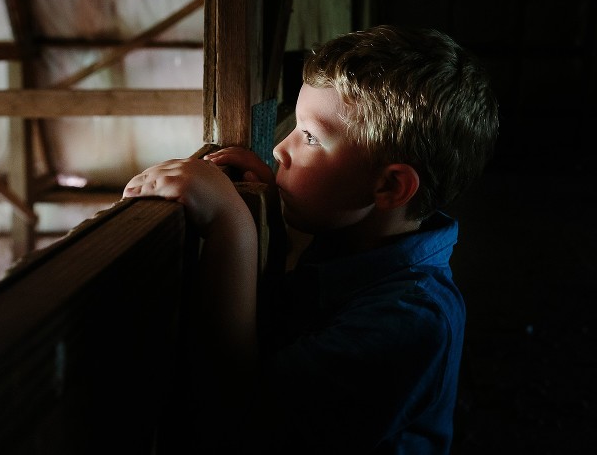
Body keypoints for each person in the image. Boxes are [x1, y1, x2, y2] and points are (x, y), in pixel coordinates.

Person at [123, 25, 499, 454]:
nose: (280, 149)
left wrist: (234, 226)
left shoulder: (409, 322)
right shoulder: (359, 244)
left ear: (391, 188)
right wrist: (277, 216)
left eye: (310, 136)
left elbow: (236, 424)